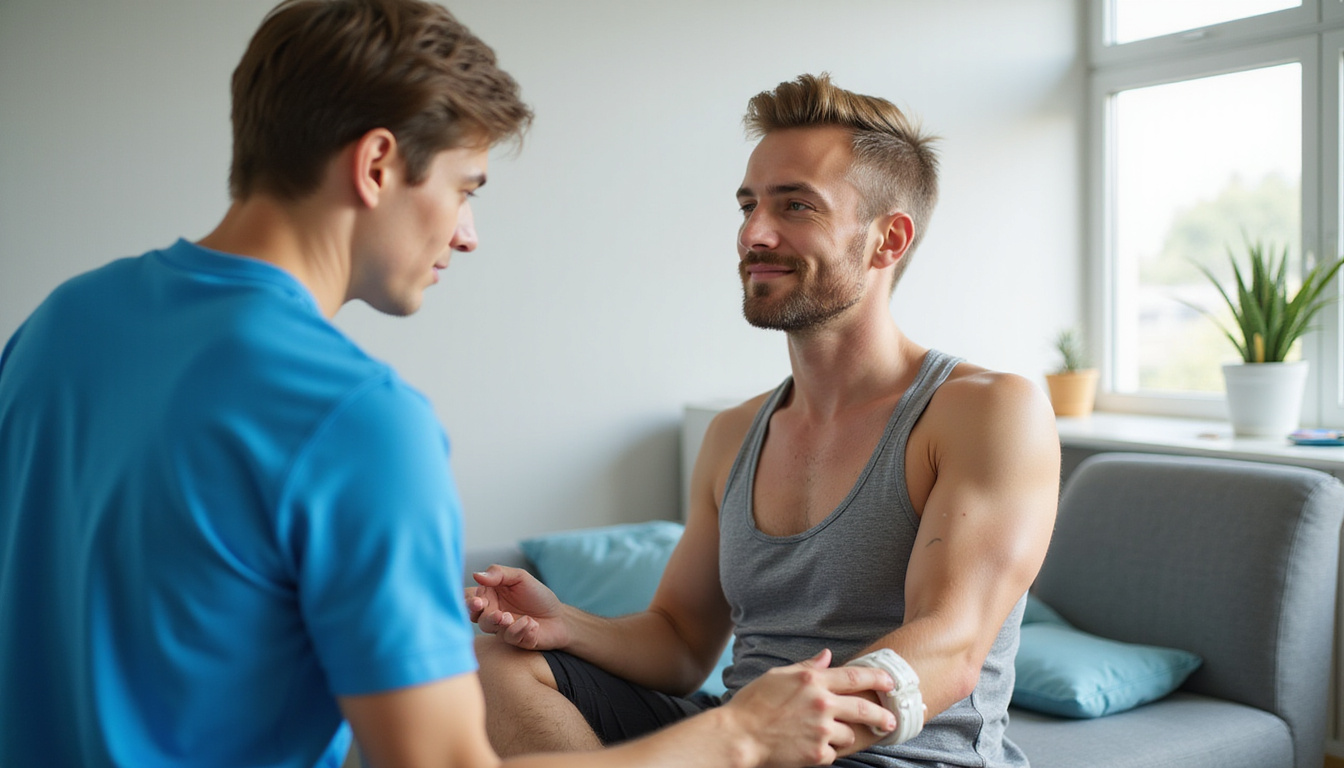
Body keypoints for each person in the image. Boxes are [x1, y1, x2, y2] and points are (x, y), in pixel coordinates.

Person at [0, 6, 898, 768]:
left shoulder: (58, 325)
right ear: (378, 164)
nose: (466, 233)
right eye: (465, 187)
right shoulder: (356, 420)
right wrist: (735, 734)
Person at [469, 74, 1061, 768]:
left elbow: (950, 648)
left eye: (796, 206)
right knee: (498, 666)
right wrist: (564, 624)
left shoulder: (985, 410)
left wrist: (748, 742)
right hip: (746, 736)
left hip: (894, 756)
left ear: (887, 240)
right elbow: (681, 642)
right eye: (748, 204)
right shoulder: (733, 434)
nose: (755, 232)